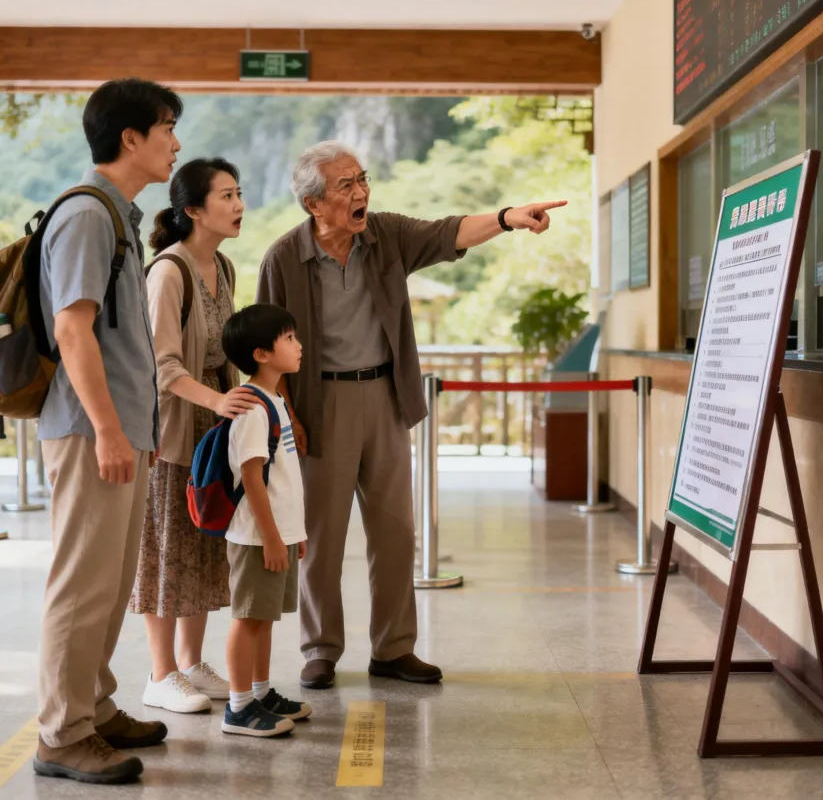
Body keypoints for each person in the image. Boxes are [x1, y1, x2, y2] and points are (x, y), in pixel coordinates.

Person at [256, 141, 567, 690]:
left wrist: (508, 219)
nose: (360, 193)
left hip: (384, 396)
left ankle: (394, 648)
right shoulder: (283, 259)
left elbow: (450, 232)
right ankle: (320, 649)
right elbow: (263, 346)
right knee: (322, 539)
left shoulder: (386, 235)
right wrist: (286, 413)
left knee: (395, 531)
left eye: (362, 179)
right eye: (345, 186)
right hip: (318, 405)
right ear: (313, 204)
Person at [31, 78, 182, 786]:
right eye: (166, 128)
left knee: (110, 582)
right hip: (95, 431)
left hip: (120, 429)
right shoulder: (89, 215)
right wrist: (109, 431)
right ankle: (62, 735)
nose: (175, 144)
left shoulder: (119, 214)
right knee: (82, 585)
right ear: (131, 138)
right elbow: (71, 327)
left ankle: (93, 705)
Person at [129, 158, 264, 714]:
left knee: (203, 546)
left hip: (214, 430)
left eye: (239, 193)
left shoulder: (224, 267)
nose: (238, 205)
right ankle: (159, 675)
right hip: (172, 431)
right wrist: (217, 401)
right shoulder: (169, 271)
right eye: (226, 196)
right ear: (192, 209)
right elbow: (161, 366)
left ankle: (189, 663)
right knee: (165, 552)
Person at [219, 304, 311, 737]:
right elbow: (253, 480)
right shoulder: (253, 409)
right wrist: (274, 539)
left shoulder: (275, 399)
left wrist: (295, 534)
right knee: (249, 618)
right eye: (288, 338)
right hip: (258, 537)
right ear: (261, 353)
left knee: (265, 617)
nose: (298, 346)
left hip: (276, 534)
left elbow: (284, 478)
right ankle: (239, 708)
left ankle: (260, 691)